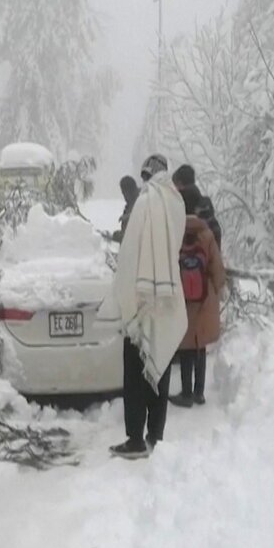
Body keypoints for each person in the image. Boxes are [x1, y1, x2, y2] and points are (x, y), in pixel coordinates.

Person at [104, 154, 188, 459]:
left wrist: (126, 287)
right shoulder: (176, 201)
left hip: (143, 297)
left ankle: (136, 438)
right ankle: (157, 435)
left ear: (147, 174)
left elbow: (132, 251)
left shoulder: (147, 201)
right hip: (169, 294)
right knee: (161, 362)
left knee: (136, 371)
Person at [169, 186, 226, 408]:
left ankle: (185, 392)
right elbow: (218, 271)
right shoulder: (207, 234)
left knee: (185, 347)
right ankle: (198, 392)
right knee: (199, 344)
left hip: (182, 298)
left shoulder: (176, 233)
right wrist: (215, 289)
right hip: (204, 298)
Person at [172, 165, 222, 248]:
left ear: (180, 184)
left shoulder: (177, 205)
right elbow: (216, 235)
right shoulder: (206, 206)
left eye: (175, 186)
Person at [112, 175, 139, 243]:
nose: (124, 196)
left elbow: (137, 235)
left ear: (129, 191)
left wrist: (121, 236)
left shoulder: (140, 203)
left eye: (124, 193)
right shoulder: (130, 204)